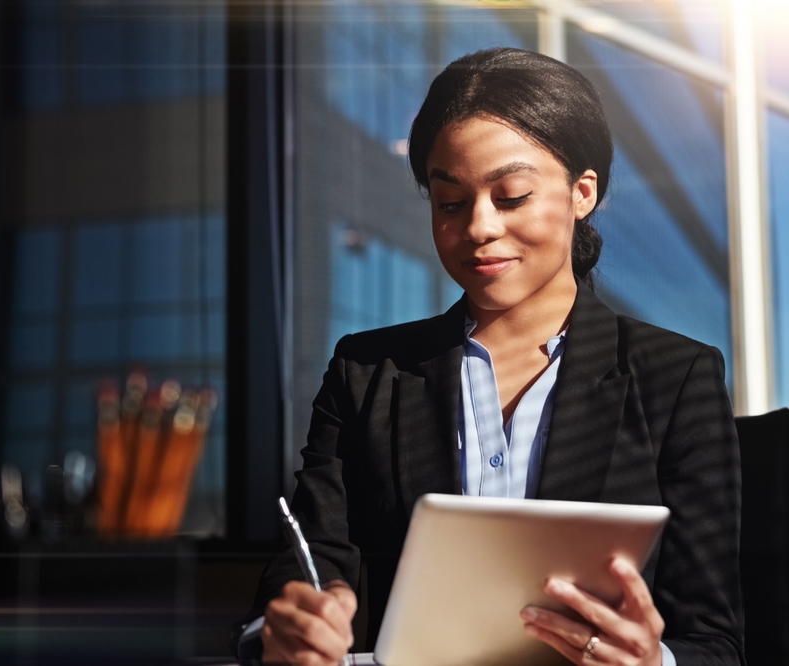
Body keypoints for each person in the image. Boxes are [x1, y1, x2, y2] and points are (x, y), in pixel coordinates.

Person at [239, 48, 743, 666]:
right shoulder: (369, 374)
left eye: (511, 197)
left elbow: (714, 643)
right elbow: (310, 558)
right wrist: (285, 630)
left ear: (582, 192)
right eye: (450, 203)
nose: (478, 227)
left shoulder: (675, 379)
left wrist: (655, 661)